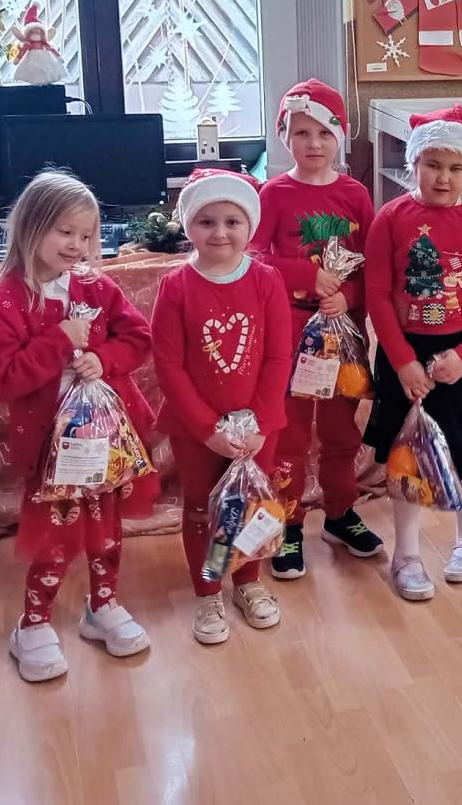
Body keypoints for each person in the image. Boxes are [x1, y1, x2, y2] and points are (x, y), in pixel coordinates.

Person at [0, 171, 159, 682]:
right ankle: (33, 624)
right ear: (31, 227)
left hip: (106, 441)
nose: (77, 244)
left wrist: (103, 358)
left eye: (86, 234)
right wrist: (59, 340)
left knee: (107, 530)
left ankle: (102, 607)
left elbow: (138, 338)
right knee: (53, 537)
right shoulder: (5, 300)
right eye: (65, 232)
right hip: (49, 449)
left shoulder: (96, 286)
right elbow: (2, 378)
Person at [364, 105, 462, 600]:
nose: (443, 178)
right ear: (414, 164)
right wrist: (403, 362)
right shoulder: (391, 218)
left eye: (455, 167)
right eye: (432, 165)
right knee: (407, 457)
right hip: (406, 357)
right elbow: (377, 295)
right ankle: (406, 554)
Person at [151, 169, 292, 641]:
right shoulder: (176, 286)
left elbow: (278, 356)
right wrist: (207, 428)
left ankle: (247, 582)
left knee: (248, 506)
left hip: (258, 428)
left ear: (249, 226)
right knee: (202, 508)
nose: (220, 233)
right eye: (206, 221)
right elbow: (169, 365)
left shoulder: (266, 281)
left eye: (232, 221)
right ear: (189, 226)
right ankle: (209, 589)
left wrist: (259, 423)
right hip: (197, 431)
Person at [253, 80, 381, 580]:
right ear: (285, 136)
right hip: (289, 339)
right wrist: (306, 277)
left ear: (340, 136)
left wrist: (348, 296)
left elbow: (374, 265)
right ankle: (287, 524)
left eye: (325, 132)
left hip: (343, 337)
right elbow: (254, 259)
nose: (314, 143)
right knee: (288, 438)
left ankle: (340, 513)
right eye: (302, 132)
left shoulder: (355, 194)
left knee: (340, 432)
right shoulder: (273, 194)